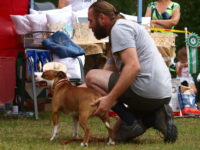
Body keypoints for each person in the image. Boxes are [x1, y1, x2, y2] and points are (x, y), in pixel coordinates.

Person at [85, 1, 178, 143]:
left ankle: (131, 121)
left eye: (90, 21)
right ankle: (155, 117)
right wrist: (70, 90)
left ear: (102, 18)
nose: (89, 25)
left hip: (147, 89)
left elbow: (133, 67)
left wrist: (109, 99)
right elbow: (105, 76)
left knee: (91, 75)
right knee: (115, 136)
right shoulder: (123, 27)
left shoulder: (119, 29)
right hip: (161, 93)